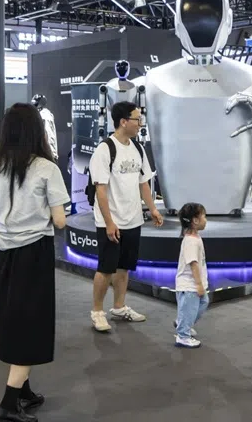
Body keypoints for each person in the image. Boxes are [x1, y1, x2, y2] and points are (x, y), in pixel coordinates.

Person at [0, 103, 69, 422]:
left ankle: (24, 392)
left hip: (3, 251)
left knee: (13, 319)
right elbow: (60, 221)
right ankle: (7, 405)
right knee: (31, 324)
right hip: (34, 253)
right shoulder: (47, 168)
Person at [88, 100, 164, 333]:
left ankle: (119, 307)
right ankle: (97, 312)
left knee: (124, 267)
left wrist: (152, 208)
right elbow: (101, 190)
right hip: (110, 221)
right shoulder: (104, 150)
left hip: (133, 219)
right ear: (123, 122)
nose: (140, 123)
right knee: (106, 268)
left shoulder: (138, 149)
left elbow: (143, 183)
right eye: (136, 119)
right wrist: (109, 222)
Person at [174, 202, 209, 349]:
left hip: (193, 285)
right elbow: (193, 263)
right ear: (195, 220)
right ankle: (183, 335)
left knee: (202, 303)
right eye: (204, 216)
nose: (206, 219)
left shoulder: (195, 237)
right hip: (189, 285)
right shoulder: (190, 241)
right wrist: (199, 284)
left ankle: (183, 322)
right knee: (191, 307)